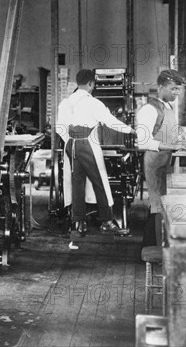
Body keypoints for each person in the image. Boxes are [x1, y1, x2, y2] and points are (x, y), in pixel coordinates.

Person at [56, 69, 135, 237]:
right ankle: (107, 222)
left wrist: (69, 141)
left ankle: (79, 223)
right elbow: (111, 121)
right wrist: (130, 130)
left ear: (78, 83)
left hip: (71, 145)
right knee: (99, 182)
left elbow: (59, 128)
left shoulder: (66, 102)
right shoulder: (93, 103)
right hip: (86, 144)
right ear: (91, 84)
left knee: (77, 182)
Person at [136, 69, 186, 246]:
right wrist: (172, 146)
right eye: (173, 89)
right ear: (160, 87)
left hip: (165, 161)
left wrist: (183, 141)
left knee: (162, 204)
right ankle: (149, 249)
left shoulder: (168, 107)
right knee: (156, 205)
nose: (176, 93)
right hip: (154, 161)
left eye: (178, 90)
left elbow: (167, 134)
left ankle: (157, 247)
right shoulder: (149, 110)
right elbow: (143, 142)